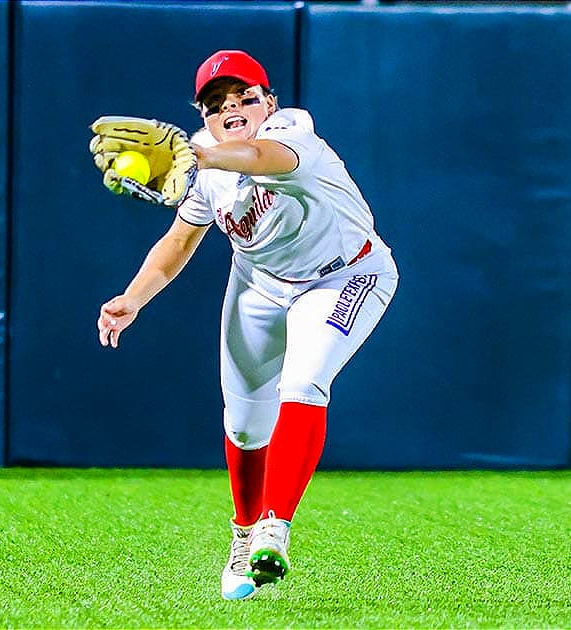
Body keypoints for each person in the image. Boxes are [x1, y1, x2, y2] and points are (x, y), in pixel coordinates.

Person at [96, 50, 399, 601]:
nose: (232, 108)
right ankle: (244, 531)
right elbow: (180, 240)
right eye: (216, 104)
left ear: (269, 102)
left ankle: (274, 529)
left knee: (303, 383)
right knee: (244, 427)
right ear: (203, 114)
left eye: (244, 97)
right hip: (259, 285)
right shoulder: (202, 162)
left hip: (346, 274)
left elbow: (260, 156)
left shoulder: (291, 130)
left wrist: (201, 156)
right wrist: (133, 298)